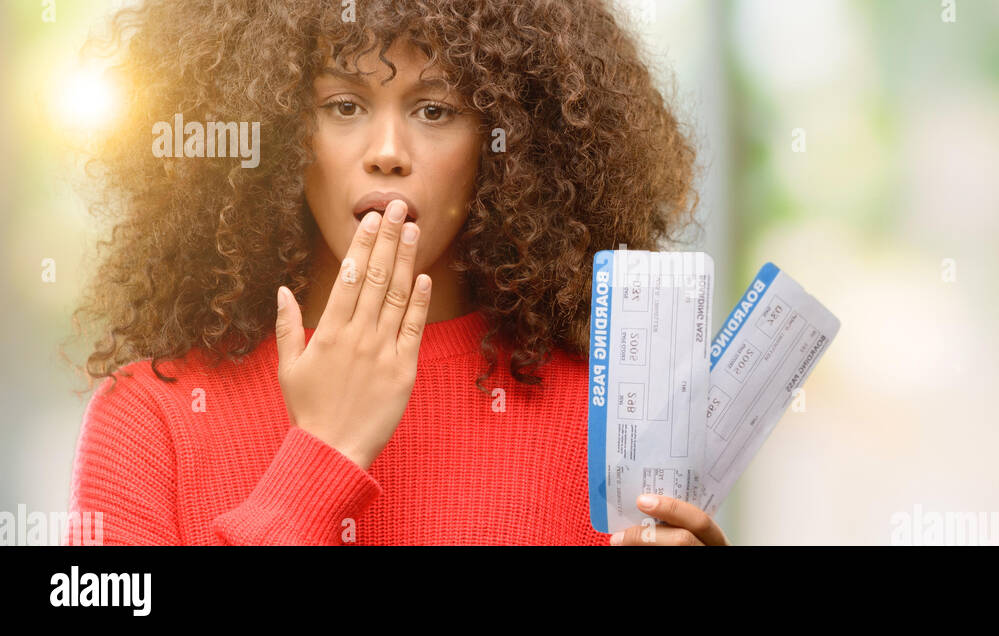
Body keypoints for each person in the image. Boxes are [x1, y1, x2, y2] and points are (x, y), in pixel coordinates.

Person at [64, 0, 728, 546]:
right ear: (280, 136)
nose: (387, 153)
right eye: (344, 107)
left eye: (435, 110)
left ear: (507, 144)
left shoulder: (607, 422)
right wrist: (321, 455)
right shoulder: (150, 418)